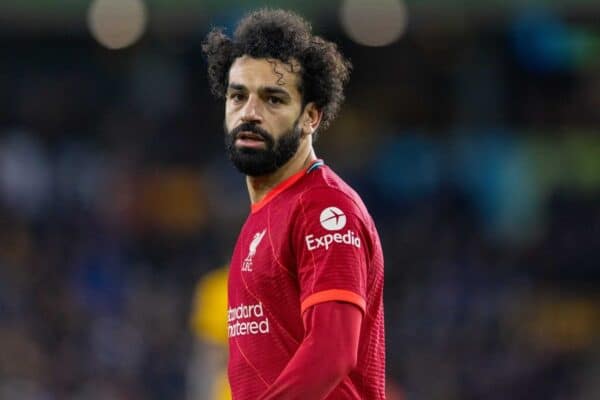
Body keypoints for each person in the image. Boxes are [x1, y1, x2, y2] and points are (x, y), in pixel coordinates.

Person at [203, 8, 385, 399]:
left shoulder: (323, 209)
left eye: (273, 99)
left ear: (311, 117)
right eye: (238, 96)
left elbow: (332, 352)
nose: (250, 112)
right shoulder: (261, 220)